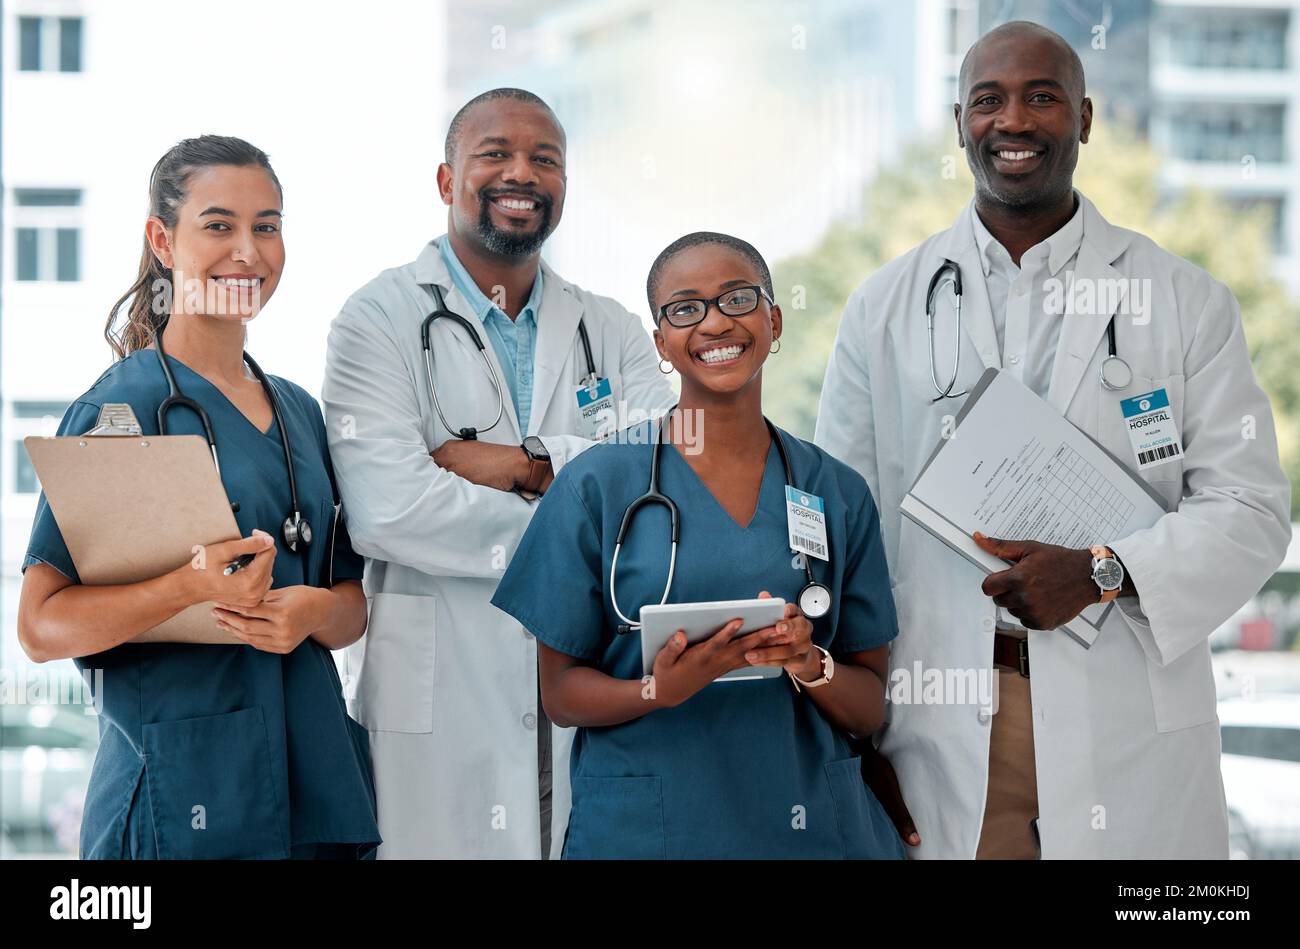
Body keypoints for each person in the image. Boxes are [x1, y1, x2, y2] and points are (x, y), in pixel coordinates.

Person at [815, 21, 1291, 858]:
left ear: (1086, 118)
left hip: (1125, 726)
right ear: (960, 121)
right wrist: (852, 743)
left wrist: (1103, 571)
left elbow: (1250, 510)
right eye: (988, 100)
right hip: (937, 731)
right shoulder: (883, 306)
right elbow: (841, 535)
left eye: (1043, 97)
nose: (1014, 121)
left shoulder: (1184, 300)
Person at [322, 88, 675, 859]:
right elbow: (389, 508)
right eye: (495, 154)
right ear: (447, 180)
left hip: (581, 680)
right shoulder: (376, 319)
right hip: (438, 694)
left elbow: (663, 477)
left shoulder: (607, 327)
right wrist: (583, 524)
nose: (522, 173)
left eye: (544, 159)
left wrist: (528, 463)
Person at [17, 135, 380, 859]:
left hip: (315, 793)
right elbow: (39, 626)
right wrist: (184, 586)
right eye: (219, 225)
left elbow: (348, 606)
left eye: (267, 226)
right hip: (178, 799)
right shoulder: (121, 413)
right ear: (162, 239)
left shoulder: (300, 412)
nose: (248, 250)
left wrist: (310, 610)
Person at [490, 232, 904, 859]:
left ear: (774, 318)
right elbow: (562, 694)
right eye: (684, 308)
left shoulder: (834, 491)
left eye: (738, 298)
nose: (715, 322)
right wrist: (659, 690)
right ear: (661, 342)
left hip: (811, 828)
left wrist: (806, 662)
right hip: (651, 831)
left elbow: (868, 706)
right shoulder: (598, 484)